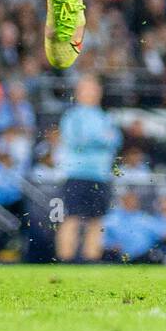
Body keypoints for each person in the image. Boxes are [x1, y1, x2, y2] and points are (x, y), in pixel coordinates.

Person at [55, 75, 120, 262]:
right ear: (78, 92)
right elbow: (77, 140)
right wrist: (102, 139)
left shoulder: (104, 116)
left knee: (97, 221)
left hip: (100, 175)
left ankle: (91, 261)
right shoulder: (73, 116)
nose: (91, 92)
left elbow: (116, 140)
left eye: (94, 88)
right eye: (87, 88)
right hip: (77, 173)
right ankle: (65, 261)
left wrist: (98, 139)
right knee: (72, 217)